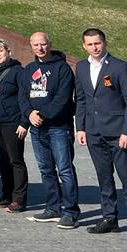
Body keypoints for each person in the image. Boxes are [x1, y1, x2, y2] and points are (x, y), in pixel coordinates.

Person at [74, 28, 127, 242]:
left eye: (97, 43)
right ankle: (109, 218)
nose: (94, 47)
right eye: (90, 44)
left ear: (104, 43)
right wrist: (80, 127)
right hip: (94, 132)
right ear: (83, 45)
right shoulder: (81, 67)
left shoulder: (120, 67)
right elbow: (81, 100)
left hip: (117, 133)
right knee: (104, 177)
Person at [20, 31, 79, 228]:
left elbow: (63, 98)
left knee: (65, 169)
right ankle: (53, 208)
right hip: (37, 129)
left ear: (49, 44)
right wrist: (29, 114)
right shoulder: (28, 69)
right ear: (31, 46)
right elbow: (22, 96)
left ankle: (70, 211)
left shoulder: (62, 68)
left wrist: (42, 114)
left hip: (58, 127)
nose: (40, 48)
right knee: (46, 170)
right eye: (36, 45)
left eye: (43, 44)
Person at [0, 39, 28, 213]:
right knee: (3, 162)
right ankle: (6, 195)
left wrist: (24, 123)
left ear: (8, 51)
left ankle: (19, 199)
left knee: (15, 160)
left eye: (0, 51)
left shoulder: (18, 72)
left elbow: (24, 98)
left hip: (12, 123)